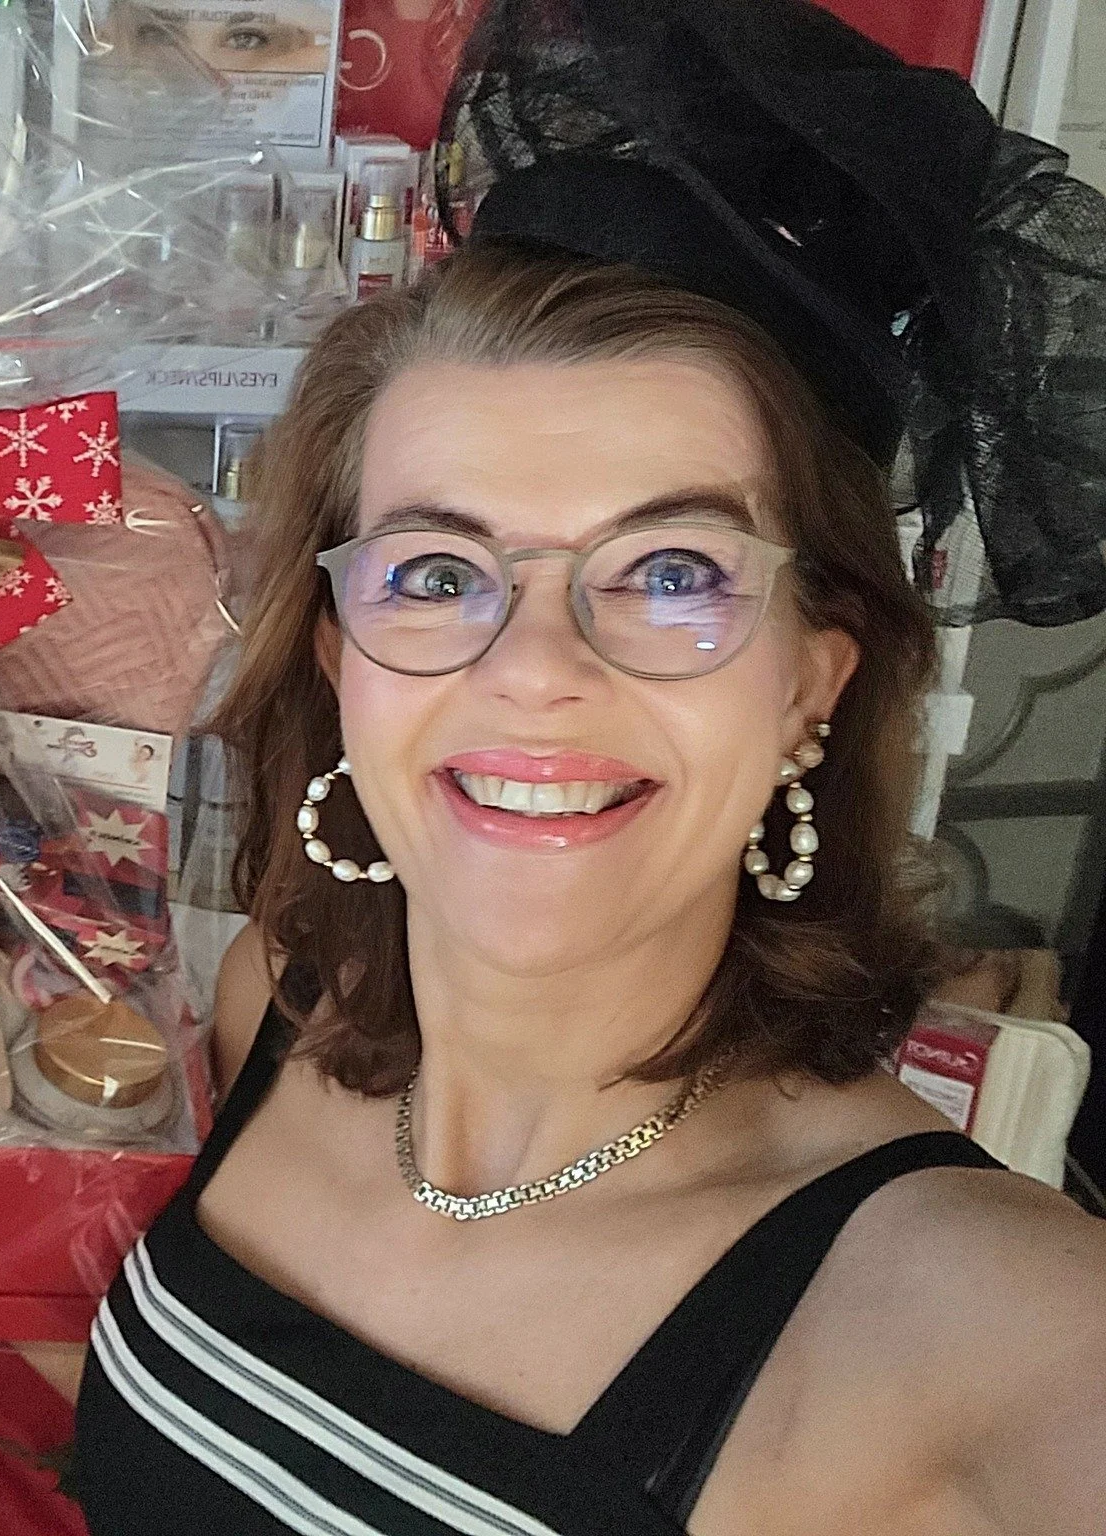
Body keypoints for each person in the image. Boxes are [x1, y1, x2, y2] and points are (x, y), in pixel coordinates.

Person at [68, 0, 1106, 1531]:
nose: (536, 669)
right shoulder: (280, 1010)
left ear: (816, 677)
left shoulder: (1000, 1332)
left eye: (672, 571)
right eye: (436, 573)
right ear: (341, 657)